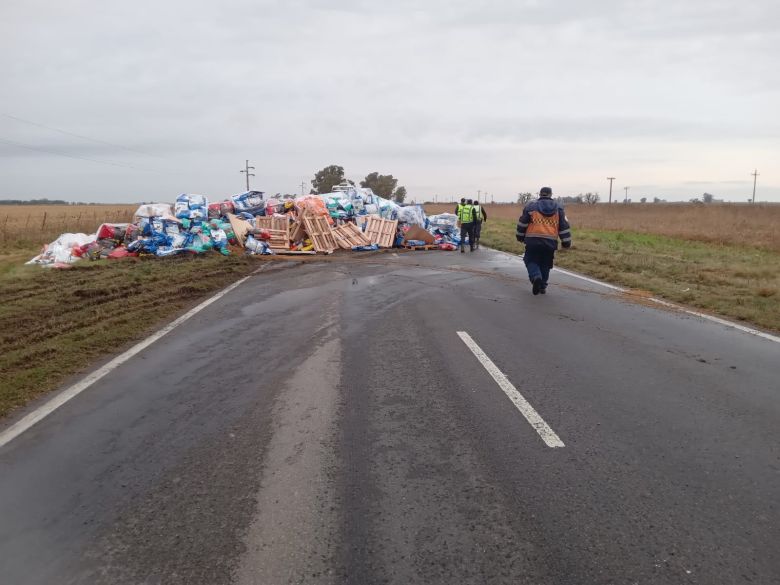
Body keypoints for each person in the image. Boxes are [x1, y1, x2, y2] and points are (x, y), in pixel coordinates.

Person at [516, 186, 571, 295]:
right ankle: (542, 286)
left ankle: (536, 277)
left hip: (533, 240)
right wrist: (566, 242)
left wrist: (520, 236)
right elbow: (564, 226)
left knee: (530, 260)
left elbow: (522, 223)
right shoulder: (558, 208)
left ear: (540, 194)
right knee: (546, 263)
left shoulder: (531, 206)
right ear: (551, 194)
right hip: (550, 242)